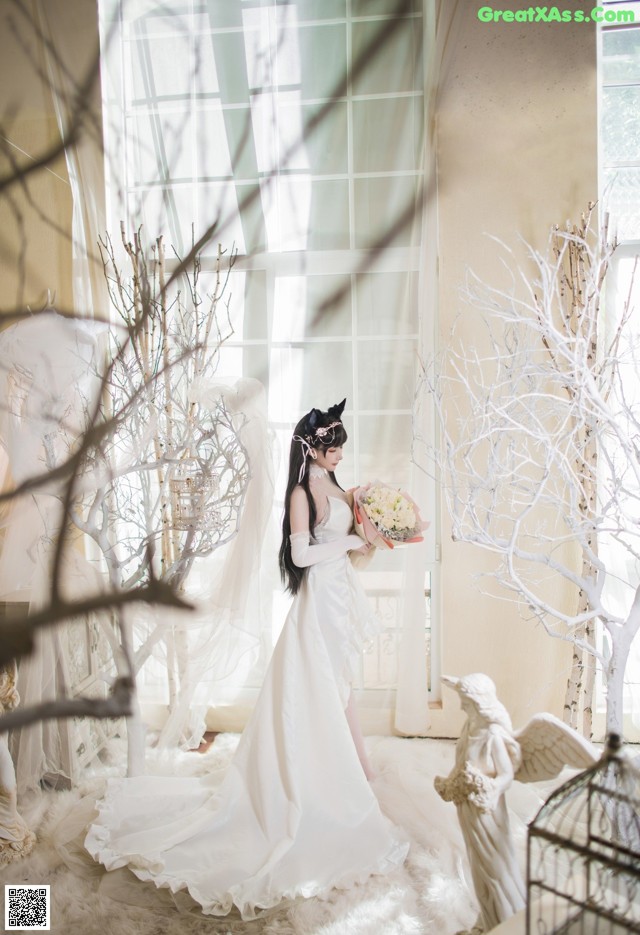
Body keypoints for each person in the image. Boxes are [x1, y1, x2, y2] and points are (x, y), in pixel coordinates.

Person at [83, 399, 408, 920]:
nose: (340, 452)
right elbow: (301, 556)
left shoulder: (342, 489)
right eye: (333, 445)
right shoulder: (301, 493)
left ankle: (360, 769)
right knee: (322, 684)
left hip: (341, 592)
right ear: (312, 448)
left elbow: (349, 548)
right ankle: (332, 777)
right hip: (319, 598)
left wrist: (370, 535)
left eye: (342, 444)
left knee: (340, 681)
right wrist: (350, 537)